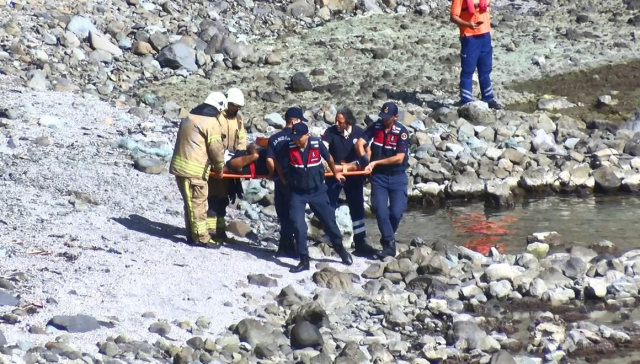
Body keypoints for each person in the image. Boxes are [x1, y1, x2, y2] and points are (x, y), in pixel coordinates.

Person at [277, 122, 353, 273]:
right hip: (297, 193)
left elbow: (329, 158)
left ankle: (340, 248)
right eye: (294, 137)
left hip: (317, 191)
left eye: (299, 137)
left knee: (329, 222)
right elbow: (278, 164)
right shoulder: (288, 146)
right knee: (298, 226)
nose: (296, 140)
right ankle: (304, 259)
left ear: (307, 135)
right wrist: (284, 180)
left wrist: (335, 173)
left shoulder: (316, 144)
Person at [169, 91, 228, 248]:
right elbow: (216, 149)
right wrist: (220, 168)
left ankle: (191, 235)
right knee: (198, 204)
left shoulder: (189, 116)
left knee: (189, 203)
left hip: (180, 166)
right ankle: (201, 238)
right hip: (194, 170)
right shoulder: (211, 123)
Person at [355, 102, 410, 260]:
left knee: (396, 211)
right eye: (382, 117)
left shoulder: (401, 132)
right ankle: (390, 245)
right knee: (380, 209)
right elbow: (360, 143)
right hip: (378, 177)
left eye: (387, 118)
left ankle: (386, 238)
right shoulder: (376, 127)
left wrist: (376, 162)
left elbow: (399, 158)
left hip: (397, 176)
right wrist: (366, 160)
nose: (384, 120)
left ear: (395, 117)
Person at [321, 108, 377, 257]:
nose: (337, 124)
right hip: (335, 173)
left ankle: (360, 240)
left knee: (357, 207)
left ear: (348, 121)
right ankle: (329, 236)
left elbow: (367, 150)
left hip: (354, 175)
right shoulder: (330, 132)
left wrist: (367, 166)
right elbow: (323, 150)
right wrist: (340, 168)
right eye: (336, 121)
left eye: (340, 121)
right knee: (329, 204)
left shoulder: (359, 132)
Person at [207, 87, 248, 243]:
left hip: (230, 162)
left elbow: (242, 138)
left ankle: (220, 231)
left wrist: (241, 153)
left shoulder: (238, 119)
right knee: (213, 199)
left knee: (224, 200)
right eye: (233, 106)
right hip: (217, 162)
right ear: (227, 103)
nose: (235, 109)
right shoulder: (217, 117)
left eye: (237, 107)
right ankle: (210, 232)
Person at [265, 107, 304, 258]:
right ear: (294, 121)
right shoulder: (299, 137)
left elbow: (269, 159)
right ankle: (291, 248)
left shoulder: (275, 138)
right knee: (294, 214)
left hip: (279, 180)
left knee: (283, 213)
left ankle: (284, 246)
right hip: (295, 179)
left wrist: (272, 173)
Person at [450, 0, 501, 109]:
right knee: (468, 71)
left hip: (485, 36)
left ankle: (488, 98)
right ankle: (466, 101)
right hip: (469, 37)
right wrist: (468, 24)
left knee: (485, 70)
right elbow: (453, 17)